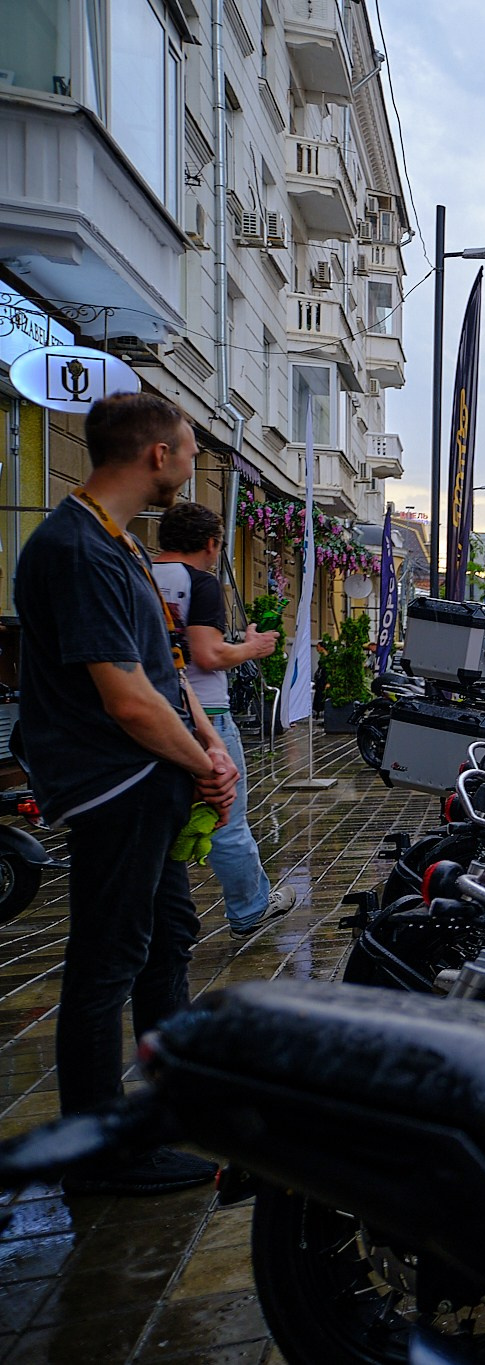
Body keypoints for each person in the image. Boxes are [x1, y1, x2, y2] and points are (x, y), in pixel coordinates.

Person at [15, 392, 238, 1194]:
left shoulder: (121, 546)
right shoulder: (77, 548)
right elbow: (126, 698)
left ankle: (160, 1115)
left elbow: (160, 673)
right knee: (106, 960)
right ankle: (102, 1151)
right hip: (116, 781)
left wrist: (208, 741)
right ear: (157, 456)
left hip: (150, 775)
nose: (189, 459)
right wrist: (205, 761)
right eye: (186, 448)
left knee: (166, 935)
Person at [151, 502, 303, 940]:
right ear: (211, 544)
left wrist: (235, 642)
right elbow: (207, 654)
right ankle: (251, 907)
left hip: (152, 714)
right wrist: (251, 649)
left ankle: (156, 914)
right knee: (225, 818)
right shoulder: (200, 582)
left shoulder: (138, 572)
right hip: (205, 716)